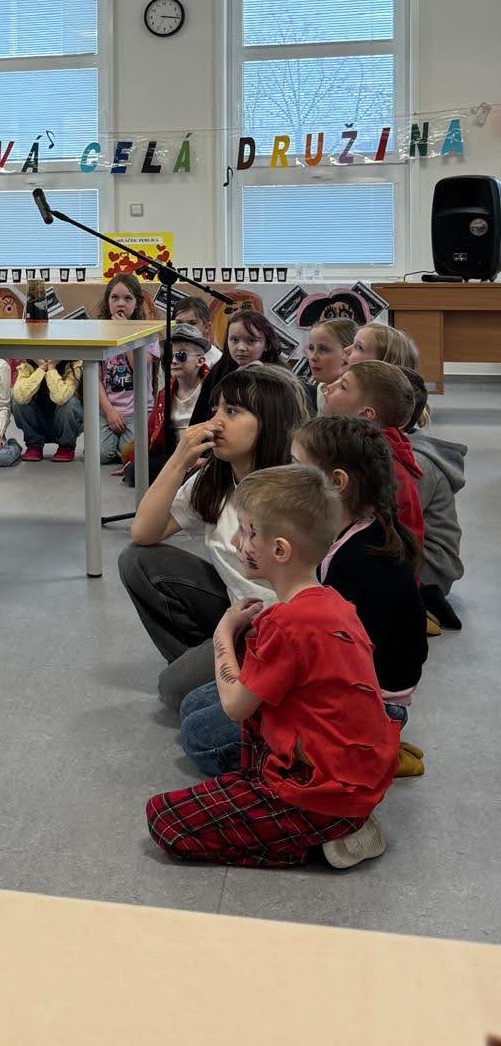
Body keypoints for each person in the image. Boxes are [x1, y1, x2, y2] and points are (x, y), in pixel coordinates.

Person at [146, 464, 398, 870]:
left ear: (280, 550)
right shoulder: (335, 603)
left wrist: (223, 633)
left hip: (318, 795)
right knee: (233, 711)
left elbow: (235, 706)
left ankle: (317, 836)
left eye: (248, 532)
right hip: (350, 778)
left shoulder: (287, 622)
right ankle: (334, 823)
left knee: (164, 819)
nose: (236, 540)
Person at [181, 415, 427, 779]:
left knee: (198, 736)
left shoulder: (358, 562)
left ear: (336, 483)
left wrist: (232, 638)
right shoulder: (349, 533)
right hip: (336, 685)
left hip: (363, 710)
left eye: (297, 466)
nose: (288, 472)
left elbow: (329, 666)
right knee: (191, 703)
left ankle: (364, 754)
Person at [119, 362, 311, 713]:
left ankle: (234, 678)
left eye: (232, 411)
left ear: (269, 422)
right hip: (239, 612)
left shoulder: (294, 490)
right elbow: (144, 532)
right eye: (216, 409)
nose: (215, 422)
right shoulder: (216, 478)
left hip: (281, 627)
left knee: (175, 692)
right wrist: (178, 461)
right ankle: (214, 668)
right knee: (136, 560)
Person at [321, 361, 425, 550]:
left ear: (365, 414)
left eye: (343, 386)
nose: (329, 387)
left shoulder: (383, 470)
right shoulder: (351, 449)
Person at [400, 368, 465, 630]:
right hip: (409, 554)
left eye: (345, 387)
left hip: (430, 570)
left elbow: (392, 524)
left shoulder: (416, 462)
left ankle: (418, 602)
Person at [95, 273, 160, 464]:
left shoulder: (148, 333)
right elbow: (95, 379)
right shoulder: (99, 331)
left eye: (128, 298)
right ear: (107, 301)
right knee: (100, 454)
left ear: (137, 303)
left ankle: (121, 446)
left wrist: (126, 333)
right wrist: (109, 411)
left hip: (137, 410)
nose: (120, 304)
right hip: (108, 409)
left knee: (131, 454)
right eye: (114, 298)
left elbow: (139, 366)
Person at [189, 308, 284, 425]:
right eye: (234, 340)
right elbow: (199, 417)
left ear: (267, 344)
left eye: (251, 341)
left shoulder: (280, 378)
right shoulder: (219, 370)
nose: (241, 348)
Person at [148, 324, 210, 459]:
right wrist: (134, 460)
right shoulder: (164, 394)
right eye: (169, 356)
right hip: (174, 455)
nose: (174, 361)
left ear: (200, 361)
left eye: (181, 355)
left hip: (204, 454)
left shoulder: (213, 389)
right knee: (135, 468)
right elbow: (151, 429)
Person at [12, 358, 83, 462]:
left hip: (63, 424)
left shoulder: (74, 366)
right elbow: (20, 397)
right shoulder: (27, 366)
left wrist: (51, 368)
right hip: (39, 422)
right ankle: (34, 445)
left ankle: (66, 447)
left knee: (70, 403)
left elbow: (61, 397)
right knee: (18, 399)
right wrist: (41, 368)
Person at [305, 318, 357, 408]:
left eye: (323, 349)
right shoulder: (322, 387)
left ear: (348, 352)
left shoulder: (356, 399)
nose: (313, 357)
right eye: (311, 348)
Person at [171, 298, 222, 368]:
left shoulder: (217, 360)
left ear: (206, 327)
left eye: (192, 323)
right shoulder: (168, 355)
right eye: (179, 323)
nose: (184, 329)